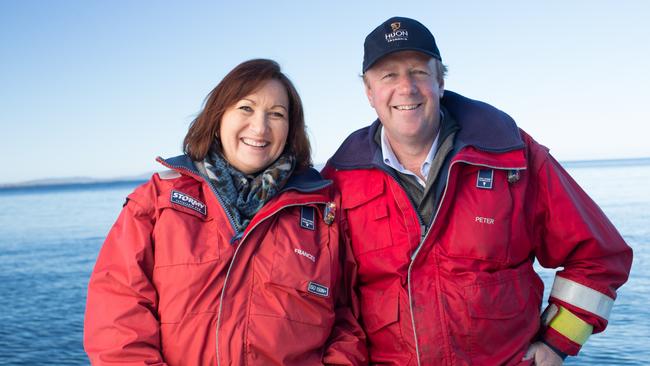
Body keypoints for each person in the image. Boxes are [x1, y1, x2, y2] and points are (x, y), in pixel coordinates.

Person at [323, 16, 632, 365]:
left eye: (419, 72)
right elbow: (327, 301)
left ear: (440, 81)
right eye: (389, 75)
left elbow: (600, 257)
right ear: (369, 92)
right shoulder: (339, 181)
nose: (406, 87)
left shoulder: (514, 157)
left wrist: (556, 344)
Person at [84, 59, 367, 365]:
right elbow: (116, 319)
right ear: (219, 116)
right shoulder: (156, 202)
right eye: (246, 108)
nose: (260, 127)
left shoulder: (322, 215)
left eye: (276, 114)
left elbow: (346, 322)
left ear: (291, 129)